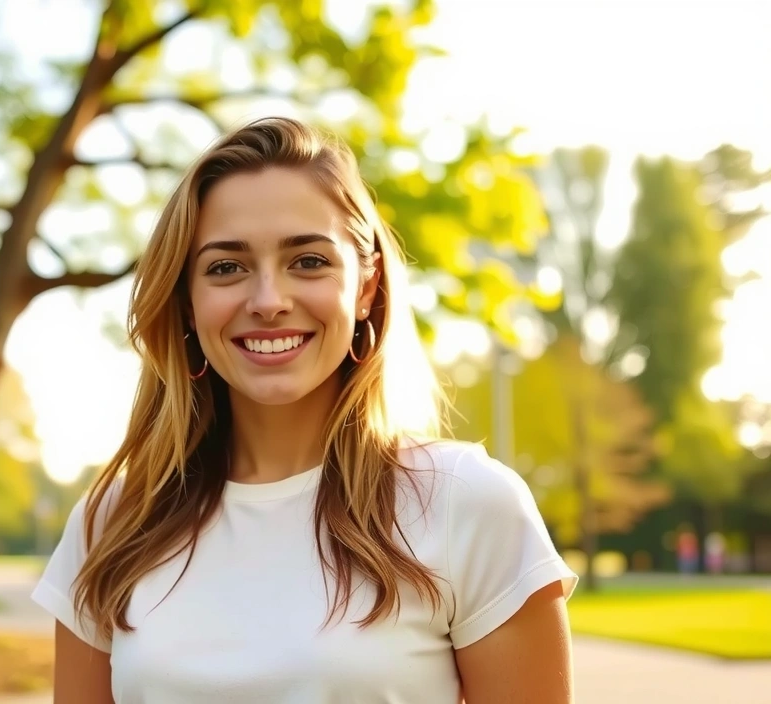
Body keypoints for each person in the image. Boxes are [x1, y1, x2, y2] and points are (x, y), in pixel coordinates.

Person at [31, 116, 578, 704]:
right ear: (188, 302)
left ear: (366, 287)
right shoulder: (112, 522)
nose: (268, 301)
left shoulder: (465, 504)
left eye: (309, 261)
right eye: (225, 267)